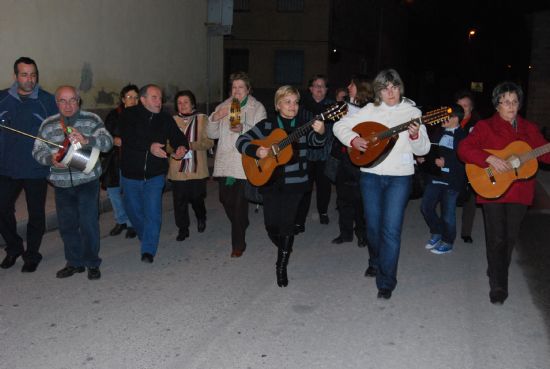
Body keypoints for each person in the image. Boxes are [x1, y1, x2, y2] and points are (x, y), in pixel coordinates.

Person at [333, 68, 430, 299]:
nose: (390, 92)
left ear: (400, 88)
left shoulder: (412, 111)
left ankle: (386, 281)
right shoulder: (370, 109)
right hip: (371, 175)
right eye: (385, 88)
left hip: (400, 178)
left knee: (391, 230)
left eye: (394, 87)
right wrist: (354, 139)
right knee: (373, 228)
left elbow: (424, 149)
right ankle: (374, 259)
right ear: (378, 90)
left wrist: (416, 136)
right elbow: (339, 126)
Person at [458, 81, 550, 305]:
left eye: (515, 101)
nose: (511, 106)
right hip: (492, 190)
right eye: (505, 102)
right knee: (496, 237)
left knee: (509, 238)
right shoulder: (485, 127)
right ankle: (499, 285)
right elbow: (464, 149)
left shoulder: (529, 129)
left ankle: (497, 269)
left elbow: (545, 155)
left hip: (520, 193)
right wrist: (489, 158)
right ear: (497, 105)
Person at [236, 85, 326, 287]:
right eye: (287, 102)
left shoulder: (304, 125)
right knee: (271, 226)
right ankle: (286, 244)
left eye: (295, 102)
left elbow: (316, 142)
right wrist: (256, 150)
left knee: (286, 225)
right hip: (270, 182)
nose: (292, 106)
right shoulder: (267, 125)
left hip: (296, 183)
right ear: (278, 105)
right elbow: (241, 141)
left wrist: (320, 132)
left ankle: (281, 265)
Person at [32, 86, 113, 280]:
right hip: (60, 184)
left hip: (87, 180)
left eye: (72, 100)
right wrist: (49, 159)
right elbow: (37, 150)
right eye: (63, 100)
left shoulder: (91, 120)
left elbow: (108, 142)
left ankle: (92, 262)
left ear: (79, 101)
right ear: (56, 102)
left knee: (88, 223)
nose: (68, 105)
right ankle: (74, 262)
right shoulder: (48, 124)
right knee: (67, 225)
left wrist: (87, 139)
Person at [118, 84, 188, 263]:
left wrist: (181, 147)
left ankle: (148, 249)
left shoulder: (165, 118)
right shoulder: (129, 115)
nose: (159, 101)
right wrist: (149, 147)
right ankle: (145, 235)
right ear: (143, 100)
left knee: (153, 212)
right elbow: (128, 138)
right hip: (130, 173)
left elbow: (178, 136)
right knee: (133, 210)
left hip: (155, 174)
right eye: (154, 97)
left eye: (160, 97)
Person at [0, 57, 57, 273]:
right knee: (1, 208)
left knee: (36, 214)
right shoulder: (2, 99)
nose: (29, 79)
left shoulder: (47, 101)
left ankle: (32, 254)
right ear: (15, 76)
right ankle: (14, 247)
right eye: (24, 74)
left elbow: (59, 131)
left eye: (33, 75)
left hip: (35, 168)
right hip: (6, 168)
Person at [207, 71, 266, 258]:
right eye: (234, 87)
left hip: (244, 161)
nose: (237, 91)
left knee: (240, 204)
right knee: (225, 200)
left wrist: (244, 128)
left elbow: (262, 134)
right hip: (225, 160)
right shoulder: (223, 106)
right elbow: (212, 134)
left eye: (241, 87)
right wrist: (215, 118)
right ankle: (241, 222)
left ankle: (238, 244)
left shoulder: (257, 107)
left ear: (248, 89)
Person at [330, 75, 372, 248]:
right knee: (343, 197)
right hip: (344, 158)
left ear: (360, 87)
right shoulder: (343, 106)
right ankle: (345, 232)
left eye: (352, 84)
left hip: (363, 157)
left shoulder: (371, 108)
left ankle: (362, 234)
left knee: (360, 199)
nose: (348, 86)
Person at [420, 104, 467, 255]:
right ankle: (437, 231)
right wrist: (423, 157)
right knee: (426, 207)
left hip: (452, 180)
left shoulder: (463, 136)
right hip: (435, 177)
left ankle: (448, 241)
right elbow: (430, 149)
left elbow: (466, 159)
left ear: (455, 118)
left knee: (448, 214)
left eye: (445, 116)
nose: (441, 119)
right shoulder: (438, 131)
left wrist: (448, 163)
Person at [168, 90, 213, 242]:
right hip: (177, 169)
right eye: (179, 103)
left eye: (185, 102)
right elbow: (166, 145)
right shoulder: (171, 120)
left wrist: (189, 145)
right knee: (179, 201)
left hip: (197, 169)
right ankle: (183, 228)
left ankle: (201, 216)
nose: (182, 105)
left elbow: (209, 142)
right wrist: (174, 149)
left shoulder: (202, 119)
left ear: (192, 103)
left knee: (196, 198)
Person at [294, 75, 335, 234]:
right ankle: (300, 220)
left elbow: (336, 129)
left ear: (326, 90)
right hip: (306, 154)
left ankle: (323, 211)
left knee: (324, 186)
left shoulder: (332, 106)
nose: (319, 88)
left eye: (322, 86)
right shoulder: (302, 106)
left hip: (324, 152)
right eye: (316, 85)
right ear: (310, 88)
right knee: (304, 188)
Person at [102, 84, 139, 239]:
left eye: (136, 97)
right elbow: (103, 134)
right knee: (114, 192)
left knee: (130, 193)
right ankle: (121, 220)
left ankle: (132, 223)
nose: (133, 100)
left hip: (131, 160)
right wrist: (113, 139)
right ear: (123, 99)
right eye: (129, 97)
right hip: (114, 160)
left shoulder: (142, 115)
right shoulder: (114, 115)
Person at [454, 90, 481, 244]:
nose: (462, 109)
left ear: (471, 108)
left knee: (470, 199)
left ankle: (466, 232)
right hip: (453, 164)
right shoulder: (451, 120)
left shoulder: (478, 125)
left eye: (465, 106)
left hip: (471, 165)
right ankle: (447, 229)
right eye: (459, 106)